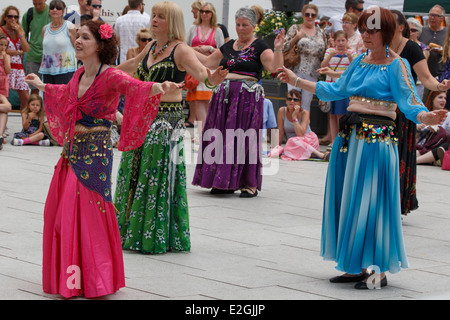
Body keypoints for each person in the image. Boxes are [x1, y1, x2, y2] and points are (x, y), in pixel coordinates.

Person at [277, 7, 448, 289]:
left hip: (377, 142)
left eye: (372, 30)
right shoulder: (358, 63)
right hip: (351, 140)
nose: (366, 35)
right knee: (350, 201)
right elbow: (334, 90)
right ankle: (356, 265)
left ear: (387, 32)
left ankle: (378, 269)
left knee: (374, 203)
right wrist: (295, 79)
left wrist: (427, 116)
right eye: (364, 30)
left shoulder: (397, 66)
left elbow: (408, 102)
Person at [25, 20, 181, 298]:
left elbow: (135, 87)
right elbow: (63, 94)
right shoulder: (78, 75)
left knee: (84, 214)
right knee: (60, 215)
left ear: (100, 44)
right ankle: (75, 279)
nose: (78, 41)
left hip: (95, 156)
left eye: (85, 37)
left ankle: (97, 279)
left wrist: (158, 88)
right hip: (71, 154)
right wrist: (40, 84)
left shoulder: (109, 75)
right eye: (78, 36)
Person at [113, 1, 228, 254]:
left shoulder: (180, 49)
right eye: (153, 15)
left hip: (166, 121)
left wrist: (213, 79)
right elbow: (132, 67)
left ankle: (154, 234)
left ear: (172, 21)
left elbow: (202, 74)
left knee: (156, 175)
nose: (154, 20)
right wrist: (105, 75)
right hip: (142, 117)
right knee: (134, 170)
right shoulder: (152, 46)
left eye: (160, 17)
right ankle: (130, 230)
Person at [192, 7, 284, 198]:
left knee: (244, 137)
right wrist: (185, 51)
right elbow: (208, 62)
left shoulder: (260, 47)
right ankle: (221, 181)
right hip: (223, 97)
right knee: (220, 137)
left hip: (246, 98)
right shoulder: (228, 46)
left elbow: (274, 67)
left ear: (253, 26)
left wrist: (278, 48)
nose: (241, 29)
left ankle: (248, 184)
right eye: (238, 25)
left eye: (245, 25)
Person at [390, 9, 450, 215]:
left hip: (402, 110)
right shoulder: (378, 45)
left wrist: (440, 87)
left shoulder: (412, 48)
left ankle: (397, 203)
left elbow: (426, 78)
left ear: (399, 26)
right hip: (378, 110)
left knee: (399, 157)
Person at [186, 2, 224, 138]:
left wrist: (210, 49)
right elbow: (186, 47)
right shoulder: (193, 28)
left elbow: (223, 51)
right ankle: (201, 133)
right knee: (197, 101)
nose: (204, 14)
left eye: (207, 12)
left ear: (212, 14)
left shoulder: (217, 30)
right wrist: (196, 49)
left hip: (211, 69)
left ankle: (206, 132)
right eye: (202, 11)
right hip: (196, 67)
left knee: (209, 101)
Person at [282, 4, 327, 112]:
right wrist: (296, 38)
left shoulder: (321, 32)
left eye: (313, 14)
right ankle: (291, 127)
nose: (310, 17)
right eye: (307, 14)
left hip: (313, 73)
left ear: (316, 16)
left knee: (306, 104)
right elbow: (283, 47)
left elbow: (325, 51)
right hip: (296, 71)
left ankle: (305, 128)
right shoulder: (296, 28)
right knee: (293, 102)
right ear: (303, 15)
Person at [269, 89, 329, 161]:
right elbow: (280, 132)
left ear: (300, 102)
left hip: (309, 140)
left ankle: (320, 155)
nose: (292, 101)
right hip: (294, 145)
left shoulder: (305, 113)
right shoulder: (282, 110)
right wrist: (275, 147)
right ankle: (313, 154)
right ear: (286, 101)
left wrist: (294, 117)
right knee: (289, 145)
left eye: (295, 100)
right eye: (289, 99)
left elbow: (300, 134)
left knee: (291, 141)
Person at [320, 31, 357, 149]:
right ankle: (333, 140)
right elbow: (323, 65)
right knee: (332, 114)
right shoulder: (329, 51)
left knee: (341, 114)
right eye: (338, 41)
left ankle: (342, 138)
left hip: (344, 87)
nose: (341, 43)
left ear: (347, 41)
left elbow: (354, 69)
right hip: (330, 85)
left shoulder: (351, 52)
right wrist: (331, 55)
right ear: (334, 41)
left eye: (343, 41)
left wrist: (350, 58)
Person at [39, 0, 77, 85]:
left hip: (66, 70)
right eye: (52, 7)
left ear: (63, 11)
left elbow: (76, 46)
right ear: (49, 11)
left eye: (58, 8)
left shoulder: (70, 27)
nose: (55, 10)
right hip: (48, 69)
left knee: (64, 96)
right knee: (49, 96)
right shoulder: (45, 28)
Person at [0, 6, 30, 112]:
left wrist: (20, 33)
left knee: (25, 97)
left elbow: (26, 48)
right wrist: (17, 52)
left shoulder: (19, 31)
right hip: (5, 66)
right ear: (5, 18)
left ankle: (24, 123)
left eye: (15, 17)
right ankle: (3, 123)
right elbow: (2, 49)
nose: (13, 19)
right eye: (10, 16)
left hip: (18, 68)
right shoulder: (1, 30)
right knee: (4, 97)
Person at [21, 0, 51, 96]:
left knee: (50, 88)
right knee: (34, 89)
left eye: (40, 4)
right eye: (35, 4)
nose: (37, 6)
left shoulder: (52, 13)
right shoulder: (29, 14)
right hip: (33, 56)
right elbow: (22, 34)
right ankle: (33, 110)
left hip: (50, 57)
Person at [419, 5, 447, 101]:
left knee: (438, 103)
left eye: (435, 15)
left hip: (441, 75)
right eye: (430, 15)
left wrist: (442, 51)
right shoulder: (422, 31)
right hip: (423, 76)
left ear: (442, 18)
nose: (432, 18)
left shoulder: (447, 33)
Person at [416, 91, 450, 165]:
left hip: (437, 146)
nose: (443, 100)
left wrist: (439, 130)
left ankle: (416, 161)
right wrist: (418, 128)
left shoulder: (448, 115)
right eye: (440, 97)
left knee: (444, 147)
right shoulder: (423, 113)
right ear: (432, 99)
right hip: (421, 146)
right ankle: (430, 160)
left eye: (445, 98)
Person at [114, 0, 150, 64]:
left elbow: (116, 40)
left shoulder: (119, 20)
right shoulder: (147, 20)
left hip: (124, 59)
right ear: (140, 5)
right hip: (141, 58)